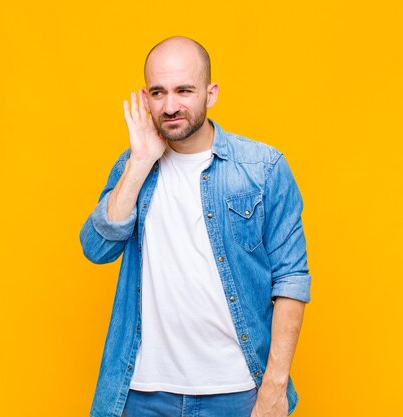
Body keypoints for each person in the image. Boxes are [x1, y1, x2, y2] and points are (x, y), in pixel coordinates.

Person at [79, 36, 312, 417]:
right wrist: (139, 163)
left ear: (210, 92)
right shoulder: (133, 167)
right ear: (145, 96)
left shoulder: (262, 168)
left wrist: (275, 383)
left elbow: (292, 278)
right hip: (141, 392)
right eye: (158, 93)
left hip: (236, 392)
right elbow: (96, 248)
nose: (170, 106)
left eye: (184, 90)